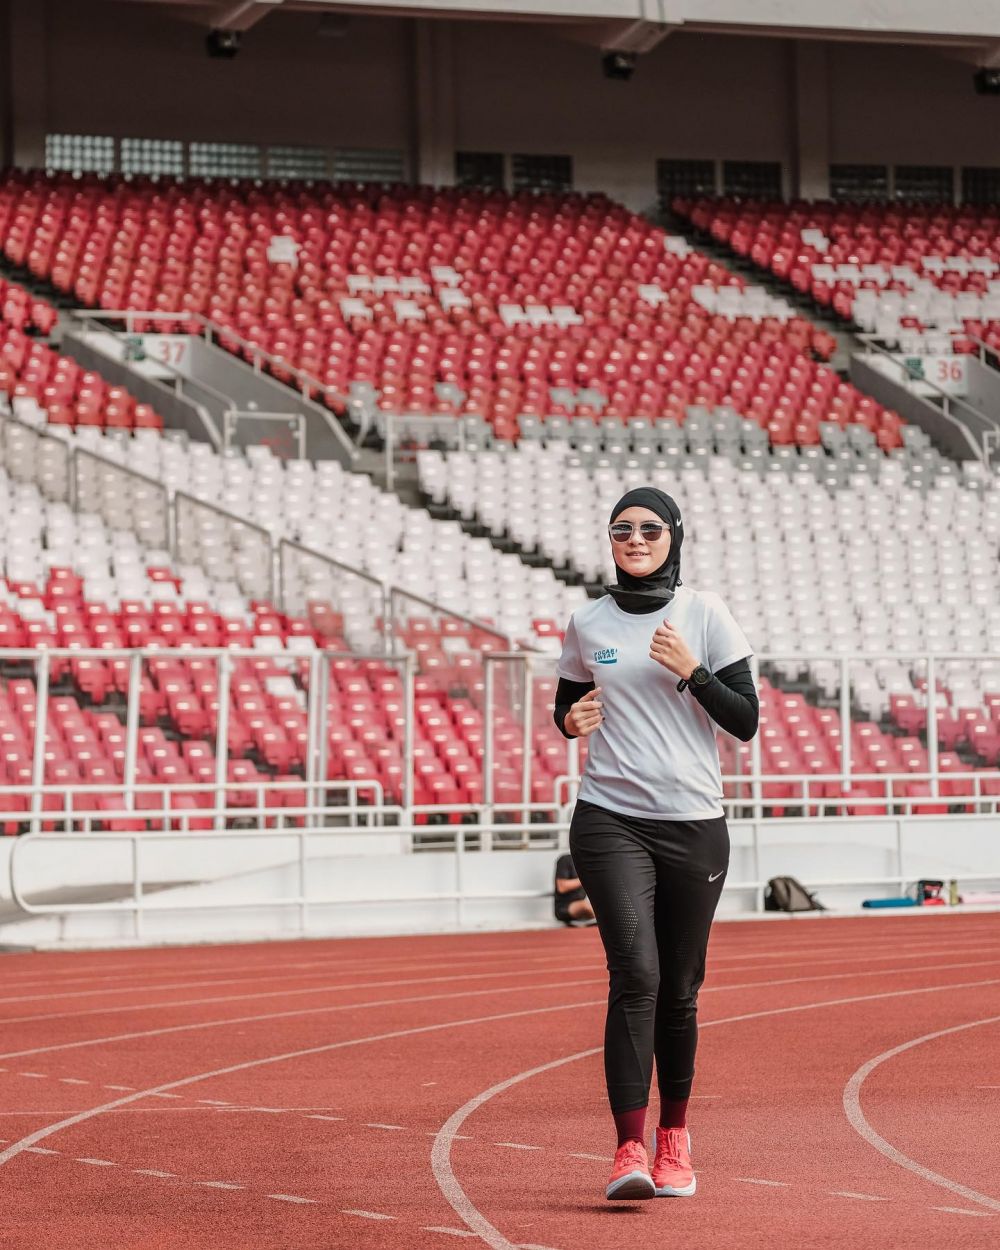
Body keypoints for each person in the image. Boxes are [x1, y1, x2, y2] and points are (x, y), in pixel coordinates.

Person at [553, 486, 758, 1202]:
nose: (634, 538)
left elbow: (745, 721)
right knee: (635, 973)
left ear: (673, 534)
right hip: (610, 818)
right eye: (620, 529)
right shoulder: (588, 620)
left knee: (680, 987)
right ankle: (627, 1150)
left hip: (694, 825)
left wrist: (692, 671)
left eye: (648, 527)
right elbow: (566, 706)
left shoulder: (704, 614)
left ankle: (675, 1140)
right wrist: (571, 723)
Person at [554, 852, 596, 925]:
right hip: (564, 907)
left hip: (582, 906)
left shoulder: (589, 862)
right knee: (586, 906)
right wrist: (586, 879)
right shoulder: (565, 860)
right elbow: (562, 887)